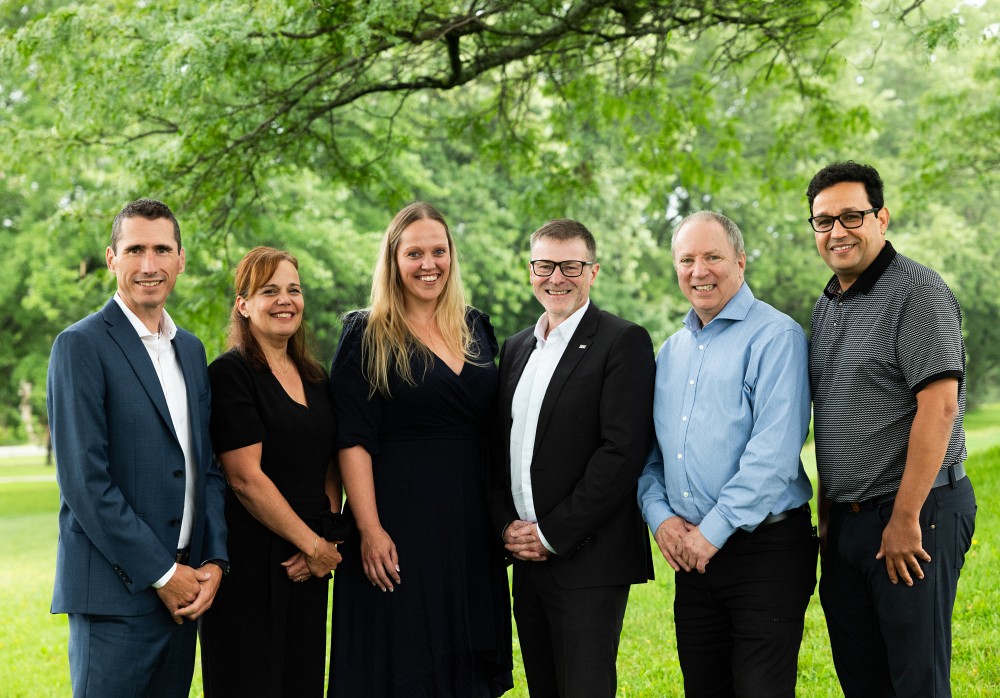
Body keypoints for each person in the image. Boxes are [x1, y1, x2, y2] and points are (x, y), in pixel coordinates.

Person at [327, 202, 513, 697]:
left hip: (471, 523)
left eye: (439, 251)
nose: (429, 264)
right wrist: (368, 528)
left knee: (464, 664)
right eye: (414, 253)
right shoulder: (366, 332)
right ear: (393, 260)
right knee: (403, 661)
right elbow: (352, 440)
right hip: (398, 521)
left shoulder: (475, 327)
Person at [46, 198, 229, 697]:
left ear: (180, 259)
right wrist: (163, 574)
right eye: (135, 250)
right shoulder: (79, 345)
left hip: (185, 597)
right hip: (115, 600)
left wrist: (212, 562)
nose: (149, 265)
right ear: (111, 259)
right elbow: (86, 482)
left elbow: (206, 467)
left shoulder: (190, 349)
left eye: (162, 250)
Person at [807, 161, 976, 697]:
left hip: (915, 514)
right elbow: (835, 418)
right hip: (848, 524)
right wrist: (828, 518)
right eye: (823, 220)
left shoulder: (917, 291)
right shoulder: (827, 303)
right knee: (862, 679)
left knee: (916, 681)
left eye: (851, 216)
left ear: (881, 217)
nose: (837, 231)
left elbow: (940, 408)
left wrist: (904, 520)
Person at [637, 211, 817, 697]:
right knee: (704, 687)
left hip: (766, 552)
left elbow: (774, 456)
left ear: (739, 262)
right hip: (694, 560)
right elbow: (651, 455)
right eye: (687, 260)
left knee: (760, 688)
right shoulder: (671, 352)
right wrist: (661, 519)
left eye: (712, 257)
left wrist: (709, 534)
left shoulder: (777, 337)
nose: (700, 271)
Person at [490, 219, 655, 698]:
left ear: (593, 271)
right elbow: (499, 446)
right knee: (543, 686)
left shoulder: (622, 341)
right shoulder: (517, 347)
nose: (556, 277)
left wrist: (552, 534)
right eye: (545, 265)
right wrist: (508, 527)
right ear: (530, 271)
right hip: (526, 557)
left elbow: (621, 453)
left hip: (588, 560)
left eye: (571, 266)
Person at [199, 247, 343, 697]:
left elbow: (331, 465)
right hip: (249, 564)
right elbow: (244, 478)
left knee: (300, 682)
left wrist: (327, 538)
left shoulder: (316, 376)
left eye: (293, 290)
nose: (285, 300)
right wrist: (313, 545)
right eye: (269, 291)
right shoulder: (230, 374)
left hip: (307, 567)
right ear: (243, 305)